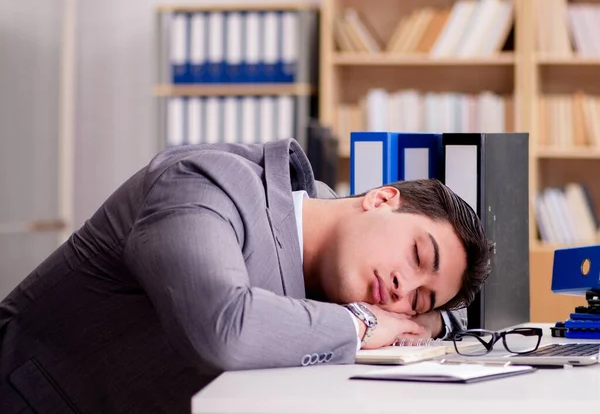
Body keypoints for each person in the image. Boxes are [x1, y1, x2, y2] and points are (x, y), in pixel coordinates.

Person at [0, 138, 493, 414]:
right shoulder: (207, 181)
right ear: (382, 199)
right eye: (416, 254)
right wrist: (361, 324)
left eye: (422, 300)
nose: (405, 290)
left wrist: (431, 324)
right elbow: (223, 328)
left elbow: (430, 316)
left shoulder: (332, 248)